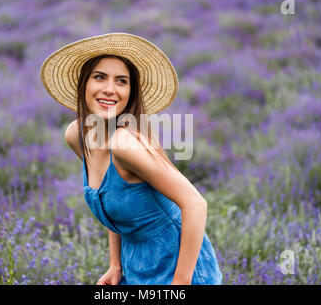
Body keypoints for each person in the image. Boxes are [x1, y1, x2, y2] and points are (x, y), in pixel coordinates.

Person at [41, 33, 222, 285]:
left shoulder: (125, 144)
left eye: (122, 81)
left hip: (180, 268)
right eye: (99, 77)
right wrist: (115, 265)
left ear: (130, 92)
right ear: (84, 84)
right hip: (136, 266)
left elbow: (195, 204)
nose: (109, 89)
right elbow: (111, 197)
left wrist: (180, 283)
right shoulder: (77, 135)